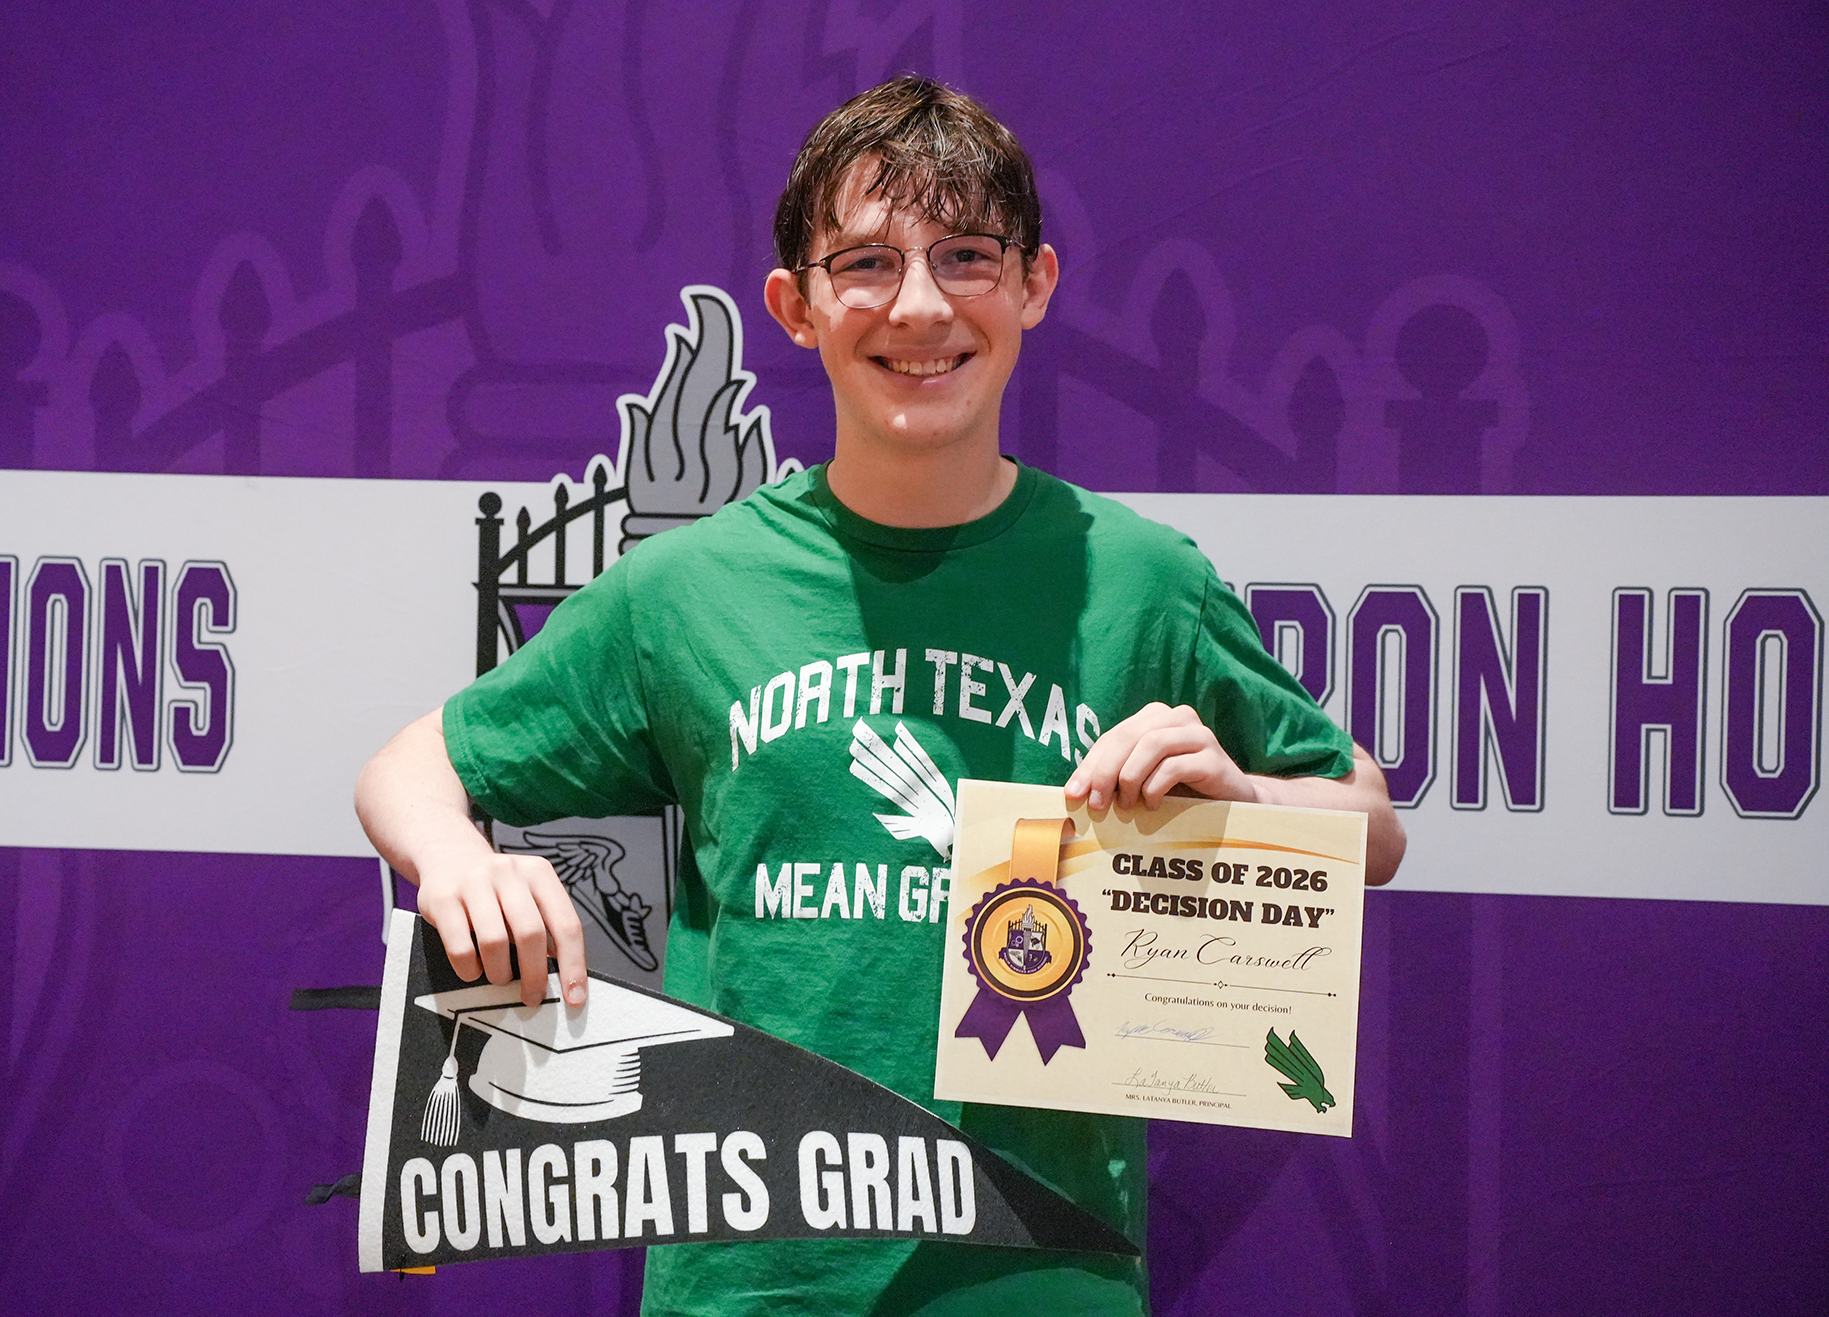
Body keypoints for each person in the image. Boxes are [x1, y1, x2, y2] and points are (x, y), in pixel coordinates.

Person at [357, 75, 1404, 1317]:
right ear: (796, 309)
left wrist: (1235, 804)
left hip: (1034, 1268)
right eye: (865, 263)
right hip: (755, 1272)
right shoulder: (689, 588)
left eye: (966, 255)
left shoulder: (1139, 581)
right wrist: (457, 861)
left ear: (1034, 286)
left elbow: (1370, 823)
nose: (918, 306)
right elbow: (407, 768)